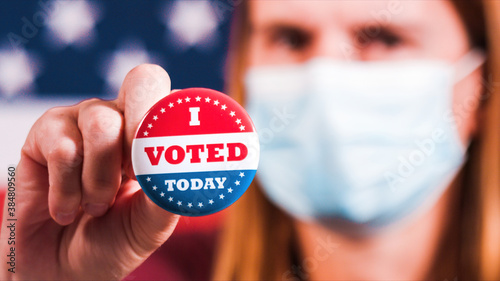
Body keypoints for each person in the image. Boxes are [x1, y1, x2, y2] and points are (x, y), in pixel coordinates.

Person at [2, 1, 499, 280]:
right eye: (289, 38)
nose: (325, 74)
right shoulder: (147, 265)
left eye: (384, 39)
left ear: (480, 83)